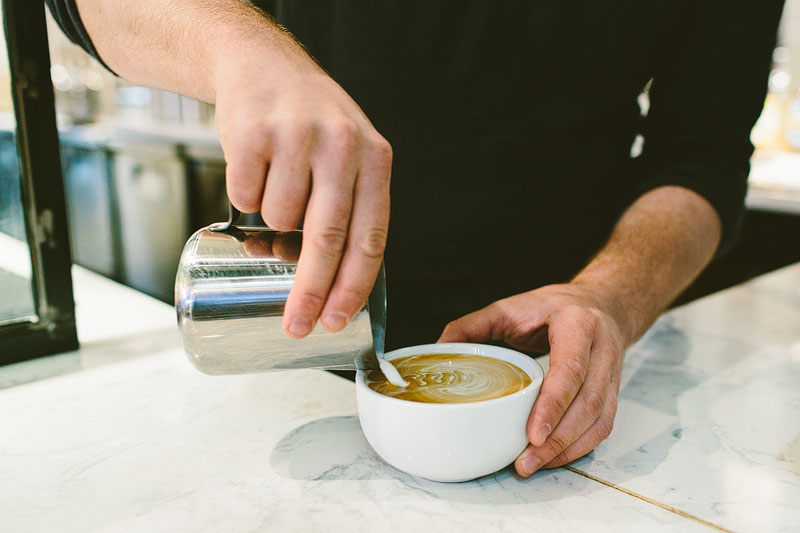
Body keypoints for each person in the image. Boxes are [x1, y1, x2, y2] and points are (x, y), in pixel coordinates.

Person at [46, 0, 784, 477]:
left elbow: (704, 153)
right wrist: (238, 48)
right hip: (298, 350)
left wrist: (611, 297)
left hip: (559, 363)